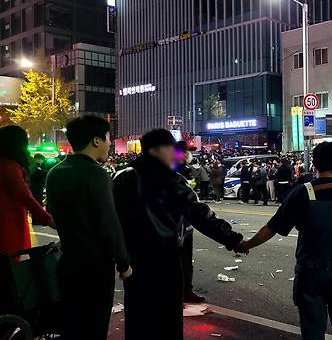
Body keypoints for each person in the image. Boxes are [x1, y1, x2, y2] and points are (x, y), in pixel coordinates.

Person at [113, 129, 246, 340]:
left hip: (134, 261)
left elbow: (112, 221)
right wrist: (233, 239)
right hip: (165, 261)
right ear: (158, 149)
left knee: (138, 318)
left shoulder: (121, 177)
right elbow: (201, 214)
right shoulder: (172, 180)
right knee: (167, 320)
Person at [240, 142, 332, 340]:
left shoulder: (302, 193)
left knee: (313, 331)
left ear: (313, 163)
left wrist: (246, 244)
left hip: (311, 274)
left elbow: (273, 227)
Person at [45, 116, 131, 340]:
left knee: (72, 326)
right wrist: (124, 263)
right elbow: (108, 223)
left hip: (67, 261)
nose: (109, 144)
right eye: (108, 138)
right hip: (95, 267)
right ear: (96, 140)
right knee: (93, 326)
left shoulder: (54, 173)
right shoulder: (96, 174)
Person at [0, 126, 55, 255]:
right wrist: (48, 220)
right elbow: (25, 197)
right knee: (10, 268)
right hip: (7, 226)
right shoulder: (10, 167)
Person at [173, 140, 205, 303]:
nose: (188, 154)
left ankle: (187, 290)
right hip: (176, 224)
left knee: (186, 260)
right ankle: (179, 291)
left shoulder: (187, 169)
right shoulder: (173, 170)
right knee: (178, 260)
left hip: (187, 222)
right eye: (185, 151)